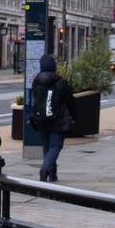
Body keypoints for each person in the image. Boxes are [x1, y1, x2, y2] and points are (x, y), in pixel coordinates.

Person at [29, 54, 75, 182]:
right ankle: (45, 169)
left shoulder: (36, 81)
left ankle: (52, 174)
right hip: (58, 121)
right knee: (55, 147)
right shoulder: (61, 82)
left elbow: (35, 99)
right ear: (54, 66)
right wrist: (74, 117)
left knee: (47, 147)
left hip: (42, 119)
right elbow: (70, 101)